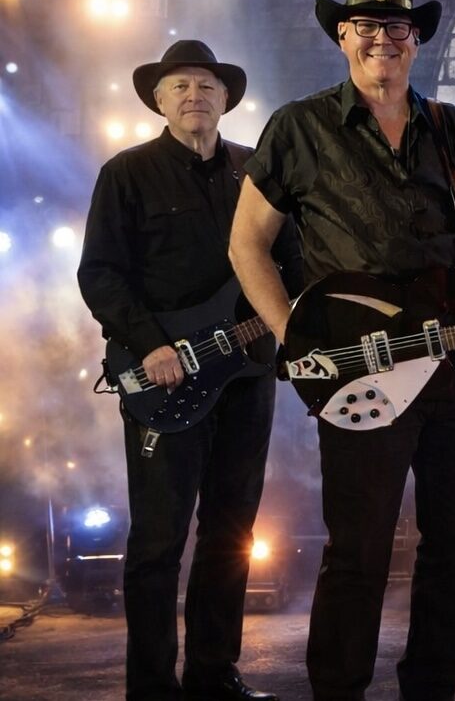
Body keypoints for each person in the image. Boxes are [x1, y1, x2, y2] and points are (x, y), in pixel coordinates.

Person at [227, 0, 455, 701]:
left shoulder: (454, 130)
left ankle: (432, 688)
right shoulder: (300, 128)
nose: (381, 40)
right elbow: (247, 244)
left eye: (396, 28)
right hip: (360, 369)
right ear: (343, 37)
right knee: (359, 550)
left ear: (415, 40)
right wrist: (294, 335)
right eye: (364, 26)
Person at [78, 40, 300, 701]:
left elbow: (294, 262)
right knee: (158, 542)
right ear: (158, 100)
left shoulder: (256, 171)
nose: (194, 96)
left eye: (206, 86)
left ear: (226, 99)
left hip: (247, 376)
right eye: (180, 86)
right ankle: (151, 689)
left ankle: (213, 676)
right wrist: (150, 345)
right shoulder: (127, 173)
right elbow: (100, 273)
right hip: (163, 375)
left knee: (232, 534)